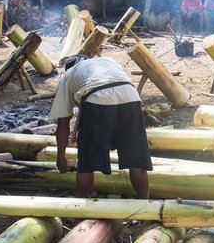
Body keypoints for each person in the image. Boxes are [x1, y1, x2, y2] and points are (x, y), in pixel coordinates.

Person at [50, 55, 152, 198]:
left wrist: (60, 158)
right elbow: (113, 93)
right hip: (130, 96)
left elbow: (63, 125)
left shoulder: (68, 75)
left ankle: (83, 207)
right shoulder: (108, 60)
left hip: (96, 99)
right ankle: (145, 205)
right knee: (136, 160)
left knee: (86, 164)